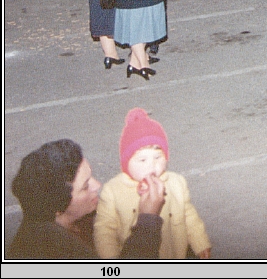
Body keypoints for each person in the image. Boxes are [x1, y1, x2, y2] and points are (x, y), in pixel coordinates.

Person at [8, 139, 164, 258]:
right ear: (57, 208)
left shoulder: (69, 217)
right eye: (84, 187)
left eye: (91, 177)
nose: (97, 185)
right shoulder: (51, 253)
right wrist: (148, 220)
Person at [95, 108, 211, 259]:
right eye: (142, 160)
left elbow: (189, 215)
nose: (151, 165)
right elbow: (104, 231)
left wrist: (200, 242)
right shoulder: (112, 190)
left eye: (158, 157)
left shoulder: (176, 182)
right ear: (125, 163)